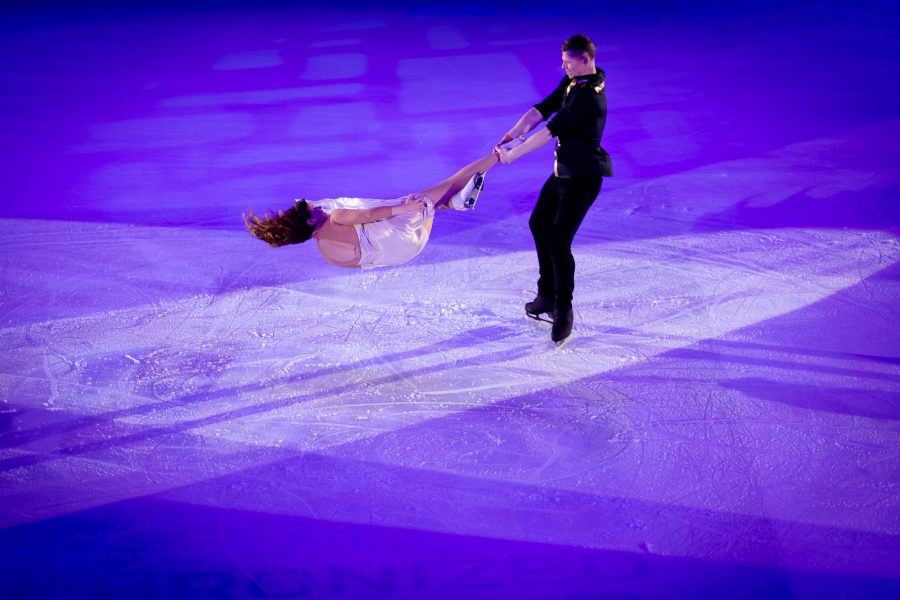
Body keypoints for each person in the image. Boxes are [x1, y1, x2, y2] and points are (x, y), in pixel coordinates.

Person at [494, 33, 612, 346]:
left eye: (567, 63)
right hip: (563, 174)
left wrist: (513, 155)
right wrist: (514, 132)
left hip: (583, 178)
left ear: (584, 59)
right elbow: (543, 109)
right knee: (539, 223)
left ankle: (564, 308)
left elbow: (550, 130)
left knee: (559, 239)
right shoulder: (575, 82)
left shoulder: (589, 95)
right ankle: (546, 295)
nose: (564, 69)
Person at [244, 154, 497, 268]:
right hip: (401, 235)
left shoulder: (328, 255)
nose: (314, 203)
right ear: (310, 218)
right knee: (446, 186)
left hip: (406, 253)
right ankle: (499, 157)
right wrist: (404, 207)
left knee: (420, 212)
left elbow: (367, 260)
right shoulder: (336, 216)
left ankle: (455, 204)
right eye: (310, 207)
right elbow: (371, 215)